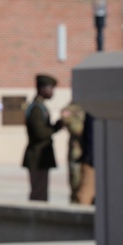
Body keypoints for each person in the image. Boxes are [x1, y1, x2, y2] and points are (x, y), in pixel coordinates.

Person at [22, 74, 63, 202]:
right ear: (41, 89)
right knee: (38, 194)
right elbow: (40, 133)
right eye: (50, 89)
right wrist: (56, 127)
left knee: (41, 192)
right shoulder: (36, 108)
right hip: (37, 156)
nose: (52, 92)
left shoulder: (40, 106)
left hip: (41, 156)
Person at [59, 102, 86, 204]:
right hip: (77, 152)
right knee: (76, 182)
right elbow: (76, 128)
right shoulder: (74, 108)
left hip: (88, 152)